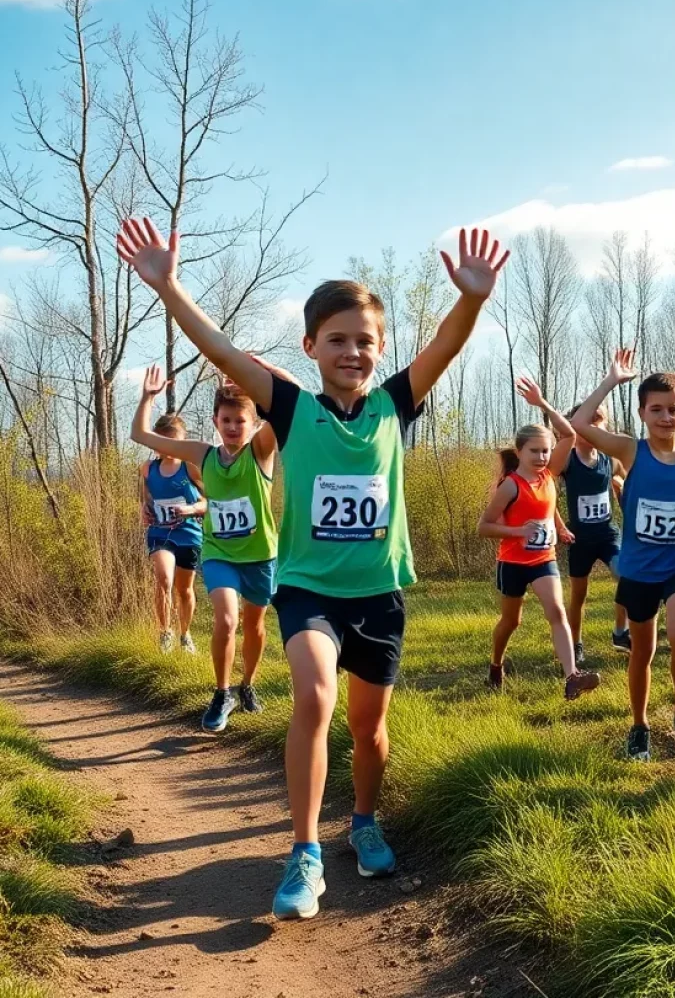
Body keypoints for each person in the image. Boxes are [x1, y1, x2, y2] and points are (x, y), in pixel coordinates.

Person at [117, 218, 510, 921]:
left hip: (380, 597)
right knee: (315, 697)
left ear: (380, 348)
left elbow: (447, 345)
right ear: (311, 348)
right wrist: (169, 286)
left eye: (365, 341)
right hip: (308, 592)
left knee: (369, 730)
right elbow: (223, 349)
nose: (352, 351)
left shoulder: (394, 404)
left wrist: (472, 299)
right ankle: (303, 852)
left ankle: (362, 819)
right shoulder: (291, 409)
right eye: (337, 339)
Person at [571, 349, 675, 763]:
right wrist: (611, 380)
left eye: (673, 409)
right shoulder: (630, 451)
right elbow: (577, 424)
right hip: (640, 569)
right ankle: (640, 725)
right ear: (643, 413)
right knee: (641, 651)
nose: (665, 417)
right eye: (656, 409)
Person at [132, 364, 283, 732]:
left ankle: (247, 686)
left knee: (254, 625)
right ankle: (222, 692)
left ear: (253, 423)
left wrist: (258, 374)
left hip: (260, 555)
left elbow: (288, 406)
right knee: (226, 620)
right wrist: (148, 398)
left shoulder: (261, 451)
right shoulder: (202, 454)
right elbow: (141, 435)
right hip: (219, 553)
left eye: (240, 421)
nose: (233, 427)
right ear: (215, 420)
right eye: (226, 420)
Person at [478, 378, 601, 699]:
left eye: (546, 450)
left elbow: (571, 434)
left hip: (543, 559)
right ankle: (495, 663)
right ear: (519, 452)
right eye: (535, 451)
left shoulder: (548, 475)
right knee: (511, 621)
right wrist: (517, 531)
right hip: (513, 562)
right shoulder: (510, 486)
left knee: (557, 612)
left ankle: (572, 675)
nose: (543, 457)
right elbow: (484, 526)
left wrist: (543, 404)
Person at [560, 400, 630, 663]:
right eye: (585, 423)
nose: (592, 429)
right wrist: (559, 526)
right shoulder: (568, 460)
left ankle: (620, 631)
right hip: (579, 538)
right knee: (579, 595)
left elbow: (629, 496)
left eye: (597, 422)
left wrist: (623, 488)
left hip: (607, 534)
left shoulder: (610, 461)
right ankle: (576, 642)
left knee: (625, 577)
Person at [138, 410, 205, 656]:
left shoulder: (191, 468)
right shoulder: (147, 469)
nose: (168, 447)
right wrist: (144, 509)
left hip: (188, 533)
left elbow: (210, 502)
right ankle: (164, 632)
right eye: (162, 440)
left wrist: (191, 508)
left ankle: (185, 634)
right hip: (160, 533)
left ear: (182, 439)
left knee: (184, 589)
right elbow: (146, 500)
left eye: (173, 440)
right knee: (164, 579)